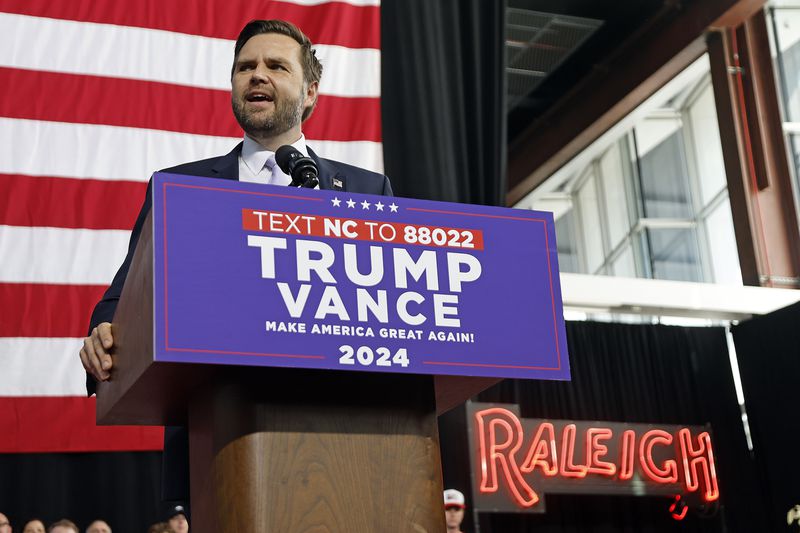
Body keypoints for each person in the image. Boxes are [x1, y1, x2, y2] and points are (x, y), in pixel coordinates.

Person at [79, 17, 392, 388]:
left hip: (336, 409)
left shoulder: (366, 190)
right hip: (209, 407)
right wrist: (104, 331)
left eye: (276, 66)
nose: (257, 75)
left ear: (310, 92)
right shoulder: (180, 189)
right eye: (246, 67)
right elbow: (125, 295)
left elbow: (386, 308)